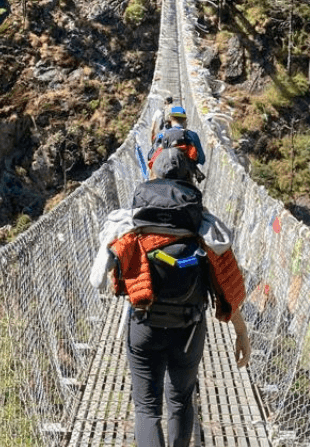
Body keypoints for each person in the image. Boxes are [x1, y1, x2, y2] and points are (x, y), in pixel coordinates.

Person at [89, 176, 251, 447]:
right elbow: (226, 287)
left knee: (147, 408)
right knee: (180, 400)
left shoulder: (132, 234)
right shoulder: (203, 236)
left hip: (144, 326)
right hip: (188, 330)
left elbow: (99, 277)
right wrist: (241, 331)